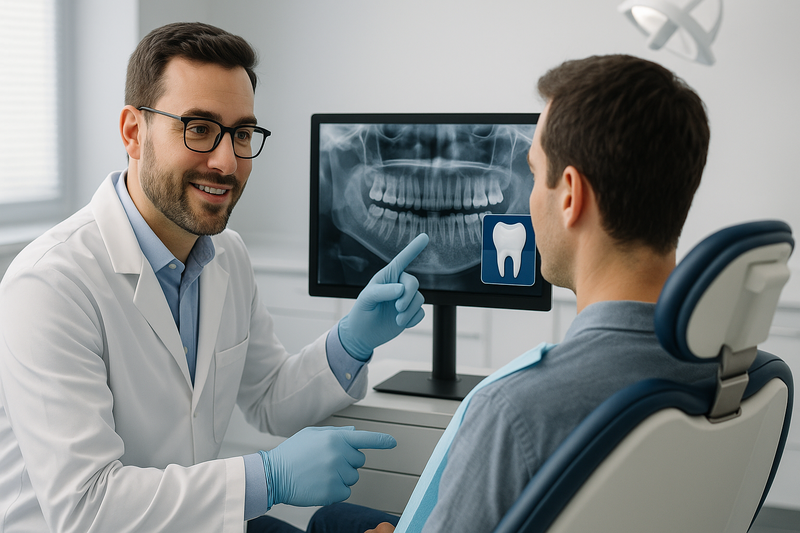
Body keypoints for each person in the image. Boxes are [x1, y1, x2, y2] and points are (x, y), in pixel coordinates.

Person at [0, 22, 431, 533]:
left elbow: (268, 397)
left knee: (363, 524)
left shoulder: (225, 255)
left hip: (192, 524)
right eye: (199, 128)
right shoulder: (50, 284)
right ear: (133, 133)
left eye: (242, 134)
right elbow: (87, 508)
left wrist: (352, 342)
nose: (227, 161)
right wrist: (268, 478)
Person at [307, 54, 717, 533]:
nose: (527, 198)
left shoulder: (514, 409)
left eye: (532, 168)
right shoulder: (743, 374)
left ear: (569, 196)